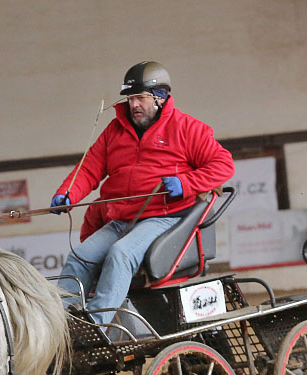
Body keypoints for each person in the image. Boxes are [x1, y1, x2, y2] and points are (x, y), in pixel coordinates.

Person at [51, 61, 235, 324]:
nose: (133, 104)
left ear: (160, 98)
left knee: (121, 254)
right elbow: (89, 168)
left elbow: (223, 165)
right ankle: (62, 324)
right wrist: (68, 193)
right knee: (79, 257)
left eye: (140, 98)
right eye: (130, 98)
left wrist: (186, 183)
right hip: (122, 220)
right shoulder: (114, 132)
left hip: (164, 217)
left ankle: (96, 325)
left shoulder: (188, 128)